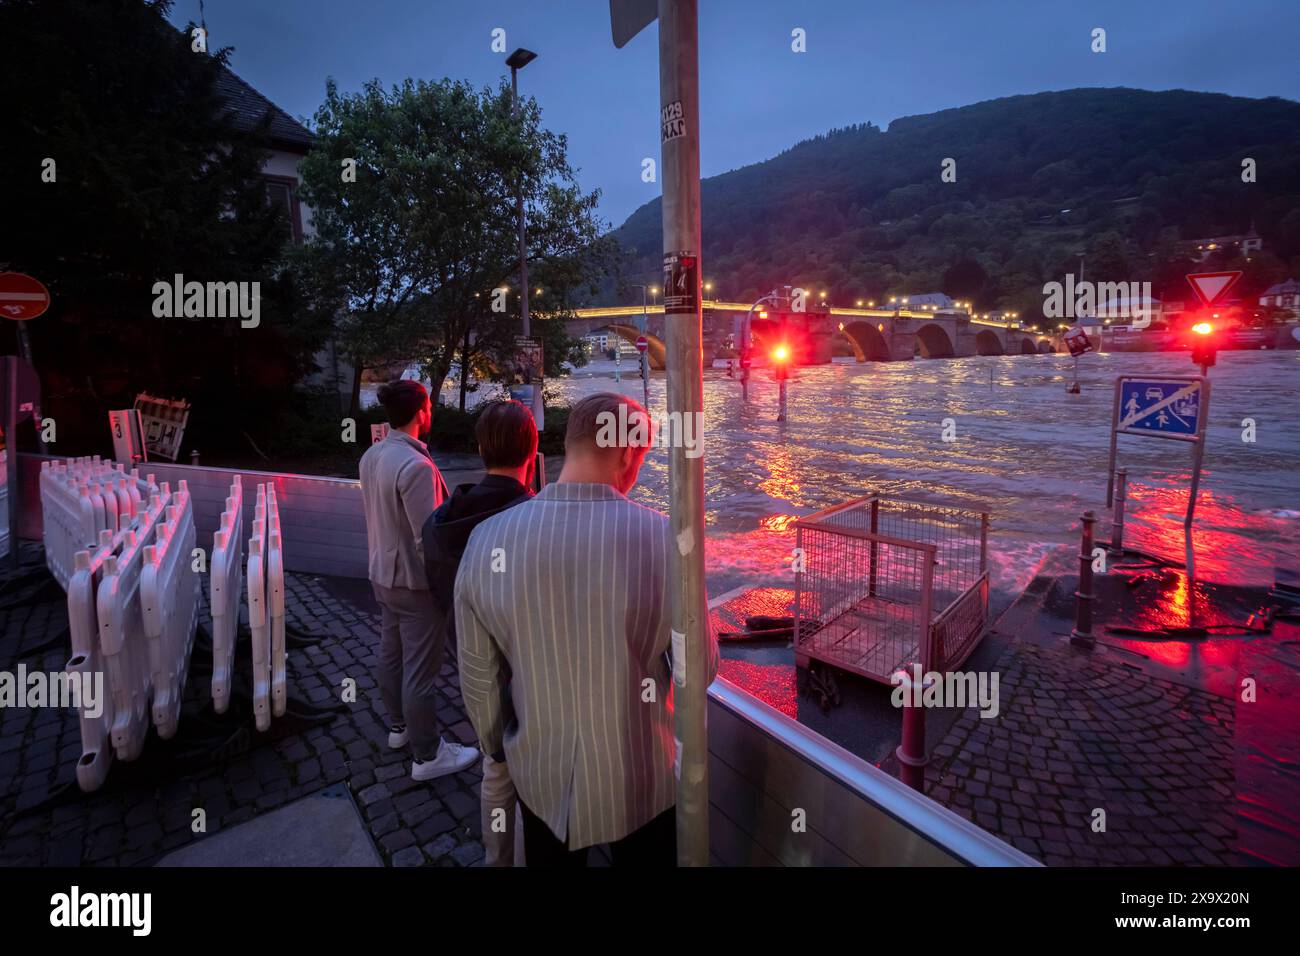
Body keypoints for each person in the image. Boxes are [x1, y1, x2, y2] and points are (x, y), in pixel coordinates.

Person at [454, 392, 719, 866]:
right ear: (625, 453)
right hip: (640, 777)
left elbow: (479, 679)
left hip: (542, 776)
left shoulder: (487, 539)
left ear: (571, 444)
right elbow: (697, 670)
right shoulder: (669, 540)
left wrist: (500, 747)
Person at [422, 399, 537, 865]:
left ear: (479, 448)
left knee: (495, 767)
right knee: (534, 779)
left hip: (472, 663)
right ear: (533, 448)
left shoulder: (441, 521)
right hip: (529, 671)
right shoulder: (532, 522)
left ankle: (496, 857)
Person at [359, 379, 478, 782]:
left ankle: (399, 728)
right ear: (420, 413)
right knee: (421, 672)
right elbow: (428, 537)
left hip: (381, 574)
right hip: (413, 584)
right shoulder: (415, 466)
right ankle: (428, 755)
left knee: (390, 653)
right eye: (429, 408)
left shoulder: (372, 456)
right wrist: (448, 586)